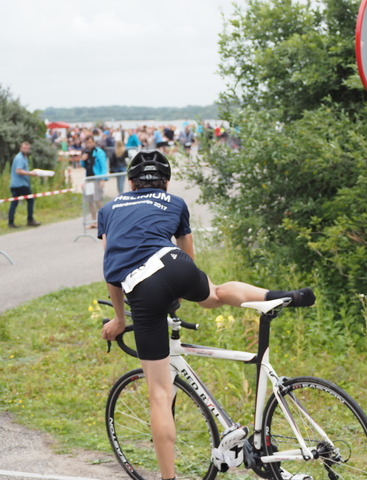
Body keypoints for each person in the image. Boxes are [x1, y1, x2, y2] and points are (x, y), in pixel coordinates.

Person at [99, 150, 314, 480]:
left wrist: (118, 319)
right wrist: (182, 289)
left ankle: (168, 478)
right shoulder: (175, 203)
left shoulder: (108, 210)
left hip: (142, 286)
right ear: (166, 183)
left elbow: (112, 271)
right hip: (175, 263)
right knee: (214, 294)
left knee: (159, 393)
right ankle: (277, 296)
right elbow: (189, 257)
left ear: (129, 183)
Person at [8, 142, 41, 228]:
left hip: (17, 184)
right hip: (20, 184)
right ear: (20, 148)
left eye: (27, 148)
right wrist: (30, 173)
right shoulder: (19, 158)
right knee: (30, 200)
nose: (25, 150)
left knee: (14, 203)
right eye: (24, 148)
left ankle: (10, 222)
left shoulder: (24, 157)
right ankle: (30, 220)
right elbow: (18, 171)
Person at [80, 136, 108, 228]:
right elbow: (84, 165)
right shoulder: (86, 152)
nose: (89, 144)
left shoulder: (99, 152)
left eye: (90, 142)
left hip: (97, 178)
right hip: (89, 178)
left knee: (98, 200)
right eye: (87, 143)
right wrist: (82, 160)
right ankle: (93, 220)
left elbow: (103, 166)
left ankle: (102, 221)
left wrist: (102, 179)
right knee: (90, 201)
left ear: (94, 142)